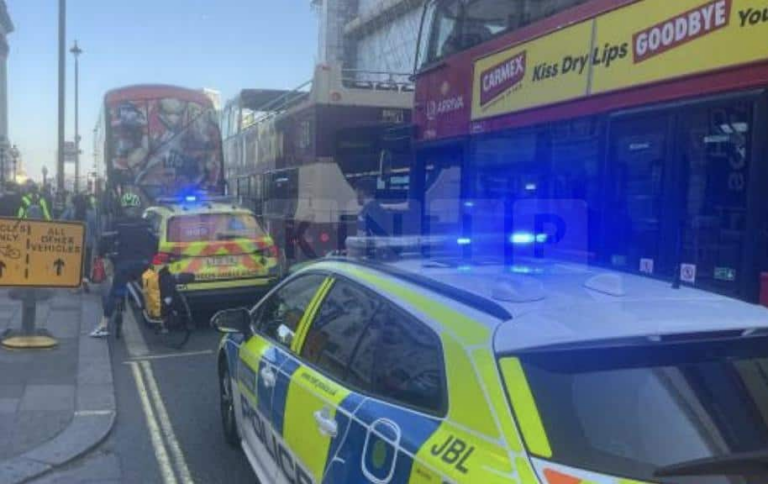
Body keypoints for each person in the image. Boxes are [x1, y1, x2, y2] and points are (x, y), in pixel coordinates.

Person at [90, 191, 154, 338]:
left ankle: (103, 325)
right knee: (150, 287)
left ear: (122, 208)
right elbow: (154, 242)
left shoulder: (117, 224)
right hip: (145, 263)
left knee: (115, 292)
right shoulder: (146, 223)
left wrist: (101, 254)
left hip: (125, 265)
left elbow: (105, 242)